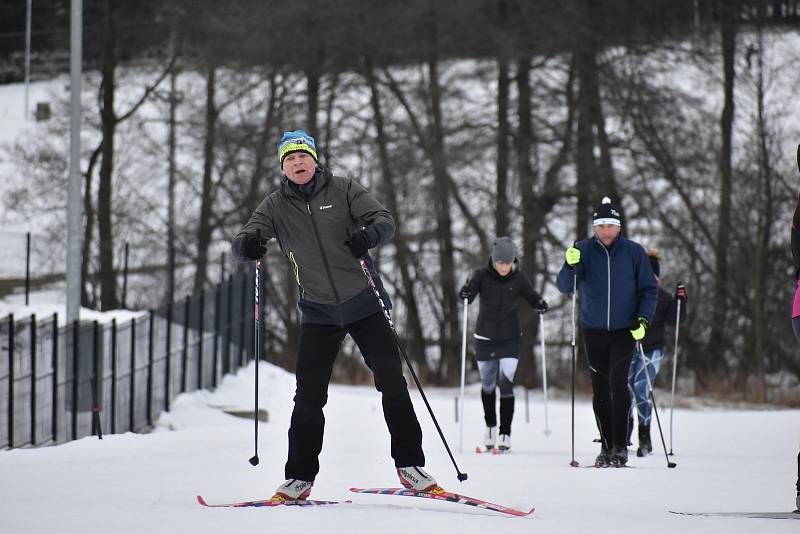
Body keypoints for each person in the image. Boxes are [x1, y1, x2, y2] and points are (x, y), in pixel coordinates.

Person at [232, 130, 436, 500]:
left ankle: (410, 465)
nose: (297, 164)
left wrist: (369, 235)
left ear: (314, 159)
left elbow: (383, 218)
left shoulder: (343, 189)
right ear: (283, 166)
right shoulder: (275, 205)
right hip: (318, 311)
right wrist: (248, 245)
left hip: (365, 302)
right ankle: (299, 477)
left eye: (302, 157)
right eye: (289, 159)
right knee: (309, 396)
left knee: (392, 380)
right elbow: (244, 239)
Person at [556, 197, 658, 467]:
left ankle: (620, 445)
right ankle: (605, 444)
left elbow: (649, 289)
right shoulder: (584, 249)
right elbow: (565, 286)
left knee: (618, 382)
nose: (606, 231)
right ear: (594, 227)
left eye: (611, 225)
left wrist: (643, 320)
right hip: (593, 329)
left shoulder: (634, 252)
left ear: (619, 227)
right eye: (601, 225)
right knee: (600, 386)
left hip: (625, 329)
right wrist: (569, 263)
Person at [458, 237, 548, 452]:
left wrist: (540, 304)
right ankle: (490, 426)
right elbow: (467, 296)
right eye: (500, 263)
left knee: (506, 383)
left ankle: (505, 432)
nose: (504, 267)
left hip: (510, 339)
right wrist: (465, 293)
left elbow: (531, 296)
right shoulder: (481, 275)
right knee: (488, 384)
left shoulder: (518, 278)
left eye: (507, 263)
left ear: (513, 261)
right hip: (485, 339)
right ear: (493, 260)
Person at [627, 250, 687, 457]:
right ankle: (625, 429)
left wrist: (681, 302)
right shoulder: (630, 294)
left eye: (653, 278)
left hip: (652, 350)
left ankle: (645, 437)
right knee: (625, 389)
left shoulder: (663, 297)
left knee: (641, 387)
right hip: (629, 348)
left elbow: (677, 319)